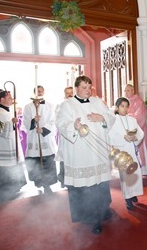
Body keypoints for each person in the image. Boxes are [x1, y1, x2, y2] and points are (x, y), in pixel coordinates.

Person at [56, 75, 115, 234]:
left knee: (100, 183)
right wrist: (73, 126)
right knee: (86, 185)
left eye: (89, 87)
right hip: (80, 154)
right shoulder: (67, 105)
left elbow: (111, 116)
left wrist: (102, 118)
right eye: (84, 88)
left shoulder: (97, 101)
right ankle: (89, 217)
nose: (88, 90)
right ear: (76, 88)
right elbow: (61, 124)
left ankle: (103, 211)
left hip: (99, 153)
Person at [108, 97, 144, 210]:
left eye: (126, 106)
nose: (124, 108)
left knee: (135, 172)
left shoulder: (132, 120)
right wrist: (124, 137)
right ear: (117, 107)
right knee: (125, 174)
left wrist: (134, 138)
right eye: (122, 106)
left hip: (132, 149)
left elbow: (140, 133)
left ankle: (133, 193)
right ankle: (127, 198)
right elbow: (110, 135)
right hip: (122, 151)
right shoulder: (113, 120)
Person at [0, 90, 27, 203]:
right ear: (2, 99)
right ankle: (4, 193)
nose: (12, 100)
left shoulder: (8, 111)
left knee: (13, 167)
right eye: (9, 97)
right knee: (5, 170)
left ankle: (13, 189)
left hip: (11, 145)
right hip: (2, 147)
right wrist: (11, 123)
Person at [22, 85, 58, 194]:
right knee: (35, 162)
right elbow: (25, 122)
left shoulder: (50, 106)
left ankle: (47, 184)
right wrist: (33, 121)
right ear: (34, 93)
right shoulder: (28, 107)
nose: (40, 93)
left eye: (42, 91)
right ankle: (39, 182)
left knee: (47, 161)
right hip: (34, 138)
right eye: (38, 91)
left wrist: (43, 129)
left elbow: (53, 121)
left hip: (46, 138)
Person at [124, 84, 147, 175]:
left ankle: (144, 170)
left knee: (140, 149)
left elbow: (140, 116)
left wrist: (127, 116)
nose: (126, 92)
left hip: (138, 131)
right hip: (128, 131)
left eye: (128, 90)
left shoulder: (139, 102)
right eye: (125, 91)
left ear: (133, 91)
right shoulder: (125, 102)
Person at [55, 86, 74, 188]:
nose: (70, 94)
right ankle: (63, 179)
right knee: (64, 156)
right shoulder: (60, 106)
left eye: (71, 92)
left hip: (76, 135)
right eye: (68, 93)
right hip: (65, 135)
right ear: (64, 94)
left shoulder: (77, 105)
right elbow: (57, 121)